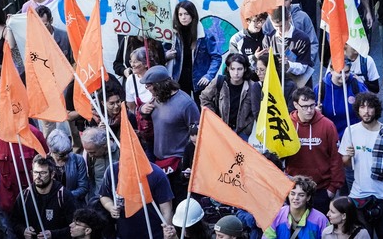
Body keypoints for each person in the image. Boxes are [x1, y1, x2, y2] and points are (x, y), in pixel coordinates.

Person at [339, 92, 383, 238]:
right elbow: (346, 164)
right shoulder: (351, 131)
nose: (366, 111)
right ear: (357, 109)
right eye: (362, 107)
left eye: (370, 107)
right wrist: (347, 156)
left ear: (376, 109)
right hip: (359, 196)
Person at [139, 66, 200, 201]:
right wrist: (142, 109)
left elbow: (198, 133)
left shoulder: (186, 104)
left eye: (149, 86)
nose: (146, 89)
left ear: (159, 85)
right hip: (159, 162)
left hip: (178, 164)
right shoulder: (157, 98)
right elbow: (145, 116)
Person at [284, 87, 344, 215]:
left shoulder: (327, 125)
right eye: (305, 106)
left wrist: (333, 188)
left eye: (312, 105)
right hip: (294, 189)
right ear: (295, 105)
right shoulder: (286, 124)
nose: (310, 110)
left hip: (321, 189)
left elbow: (336, 157)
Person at [97, 160, 174, 239]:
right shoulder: (113, 170)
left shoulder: (156, 173)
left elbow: (166, 210)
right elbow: (104, 195)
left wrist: (167, 234)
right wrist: (110, 207)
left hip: (152, 233)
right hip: (124, 232)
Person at [10, 155, 76, 239]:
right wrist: (23, 231)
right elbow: (14, 221)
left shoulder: (64, 196)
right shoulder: (24, 195)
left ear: (52, 174)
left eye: (43, 173)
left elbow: (75, 227)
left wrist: (53, 234)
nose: (38, 176)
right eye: (35, 172)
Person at [199, 54, 260, 139]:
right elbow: (204, 97)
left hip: (241, 132)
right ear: (228, 69)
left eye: (239, 69)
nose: (236, 73)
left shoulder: (252, 86)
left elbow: (256, 110)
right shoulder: (219, 81)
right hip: (221, 129)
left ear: (245, 69)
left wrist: (247, 129)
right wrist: (213, 117)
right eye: (232, 69)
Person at [168, 1, 221, 96]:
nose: (183, 17)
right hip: (179, 79)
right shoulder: (173, 35)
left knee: (201, 108)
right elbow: (161, 53)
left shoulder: (205, 35)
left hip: (199, 80)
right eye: (180, 14)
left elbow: (216, 57)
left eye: (186, 14)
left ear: (192, 15)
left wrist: (209, 75)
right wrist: (166, 55)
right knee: (183, 109)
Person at [263, 175, 328, 239]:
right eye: (292, 194)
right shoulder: (276, 216)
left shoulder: (320, 220)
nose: (296, 198)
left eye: (301, 195)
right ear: (288, 195)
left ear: (308, 197)